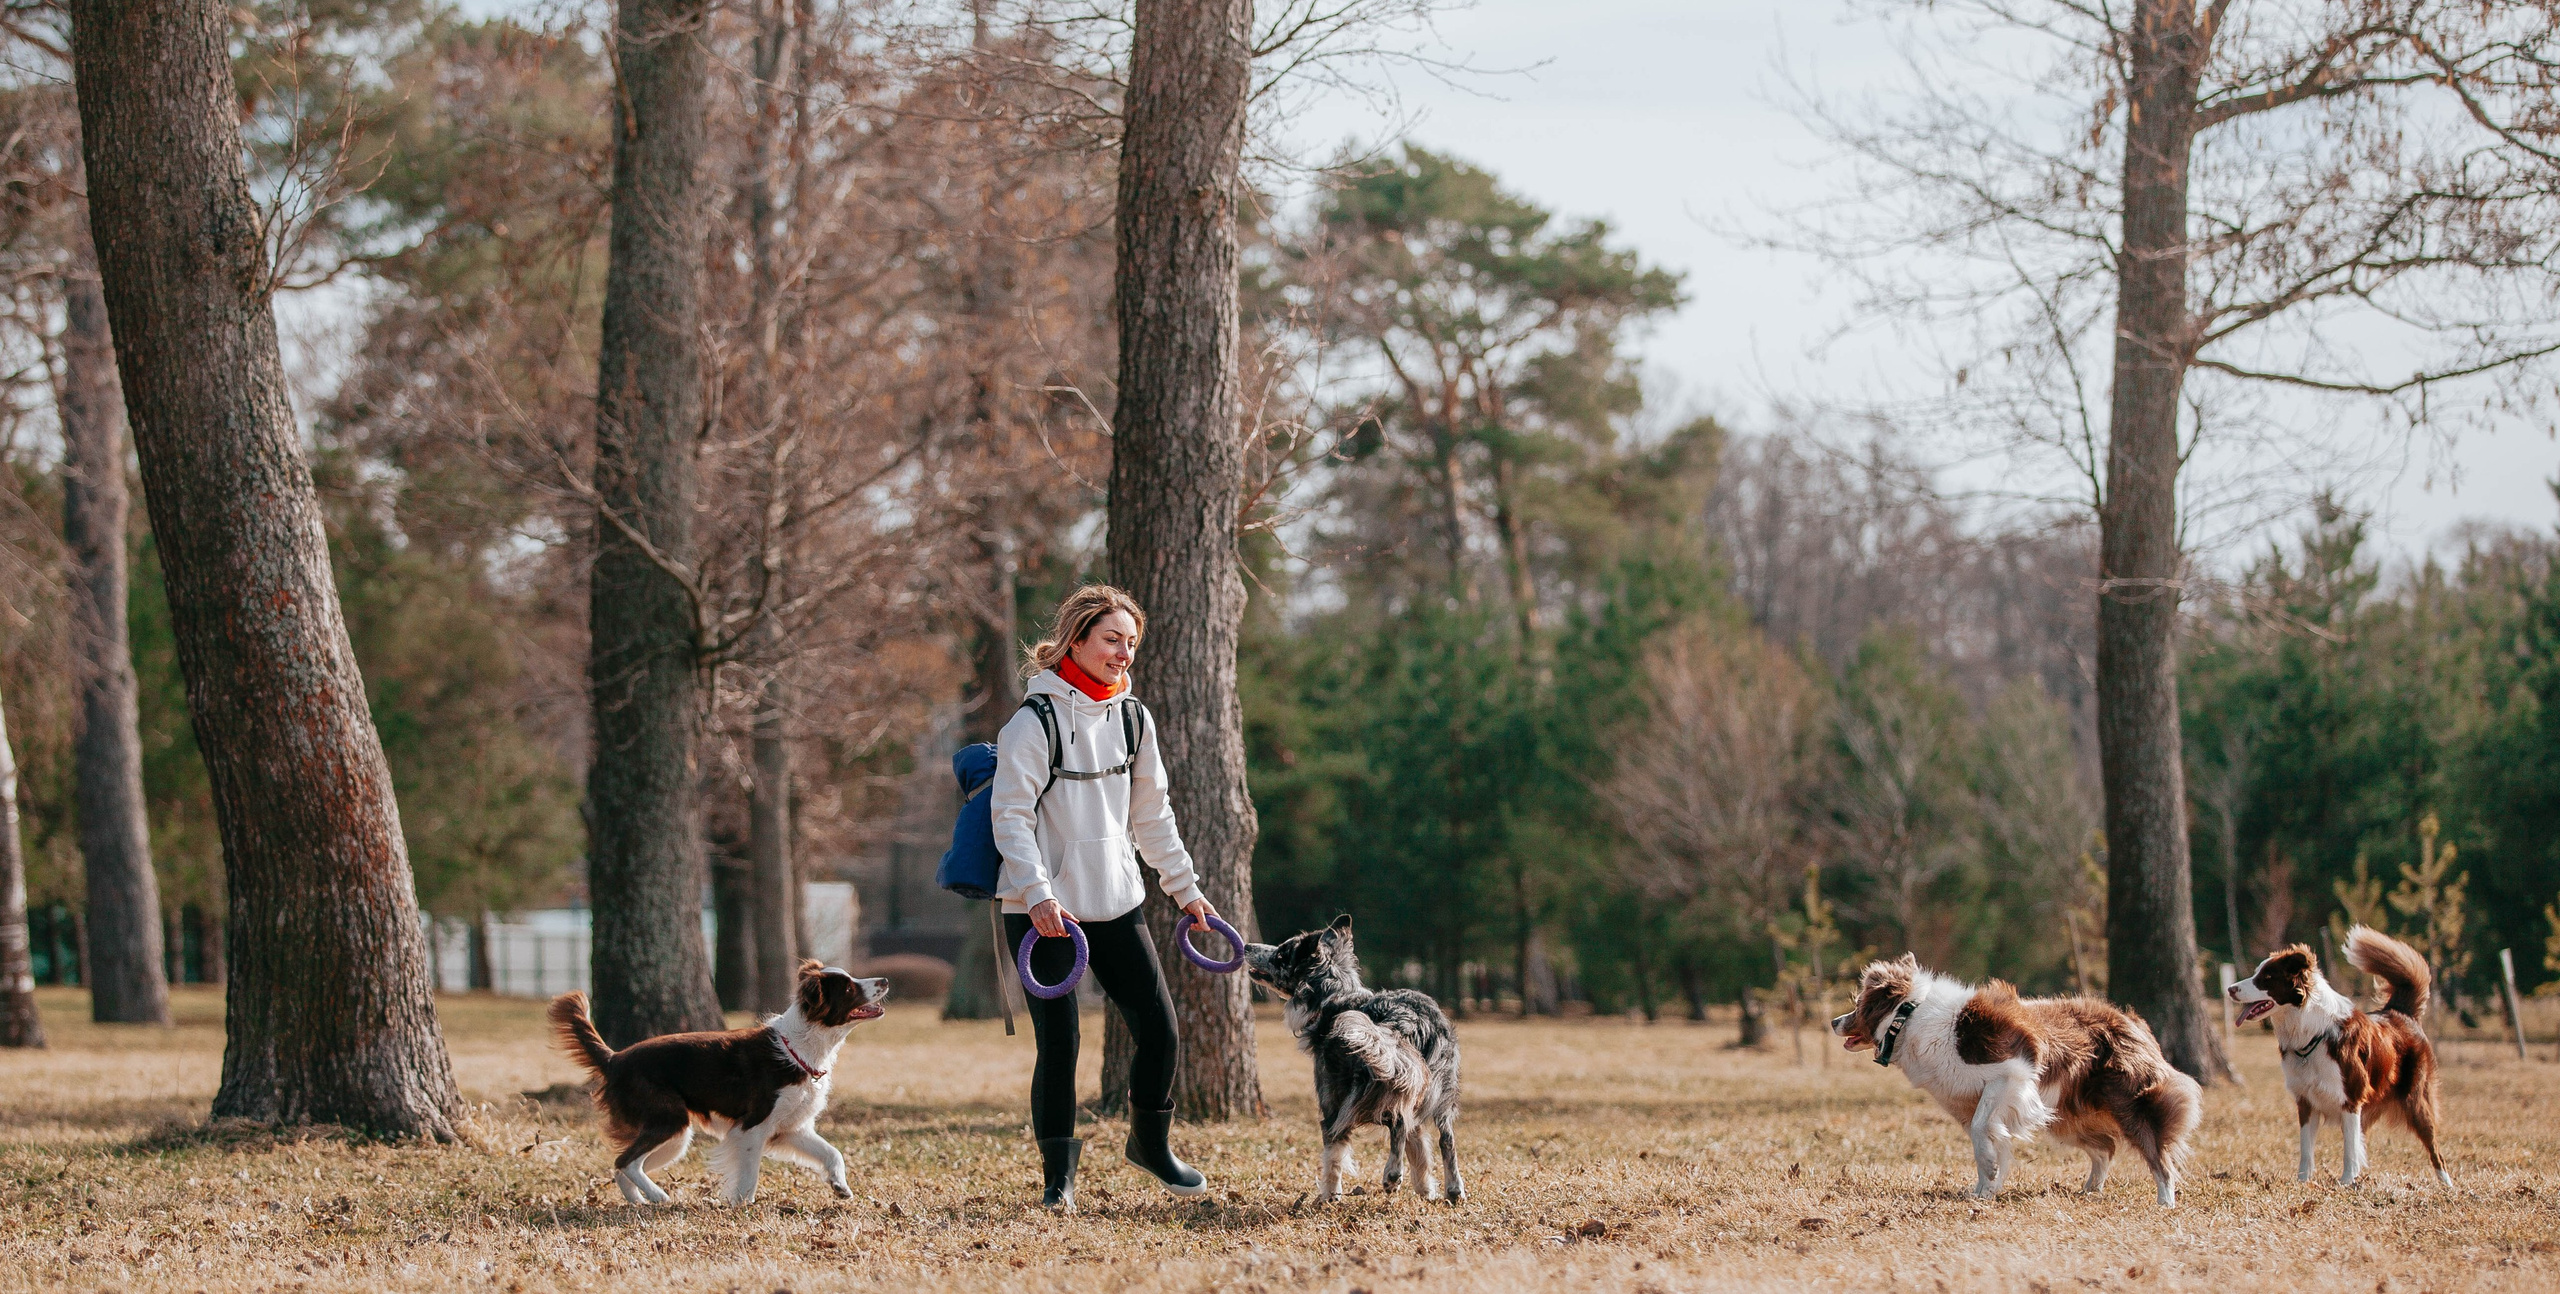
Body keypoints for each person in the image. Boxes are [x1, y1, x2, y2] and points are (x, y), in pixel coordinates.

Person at [990, 584, 1219, 1210]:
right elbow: (1008, 817)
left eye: (1132, 643)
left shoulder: (1133, 718)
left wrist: (1185, 890)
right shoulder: (1031, 723)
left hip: (1117, 903)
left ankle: (1150, 1145)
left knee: (1161, 1030)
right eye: (1112, 640)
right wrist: (1037, 894)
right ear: (1077, 640)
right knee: (1060, 1043)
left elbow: (1153, 815)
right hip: (1046, 914)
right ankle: (1058, 1179)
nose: (1124, 654)